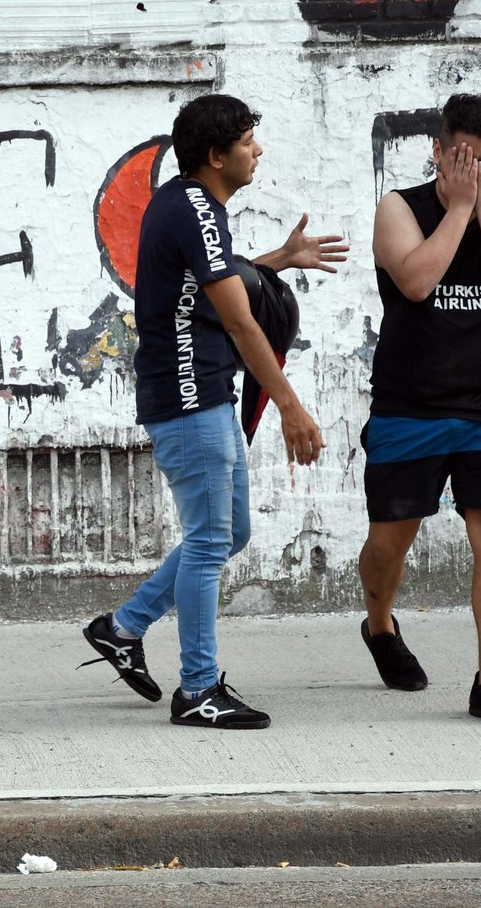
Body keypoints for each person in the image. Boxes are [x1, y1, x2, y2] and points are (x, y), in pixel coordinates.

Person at [81, 94, 345, 729]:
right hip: (189, 394)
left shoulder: (188, 204)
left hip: (204, 393)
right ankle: (198, 689)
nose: (258, 150)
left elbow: (213, 277)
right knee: (207, 543)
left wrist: (280, 259)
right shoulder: (196, 208)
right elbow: (239, 316)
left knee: (232, 533)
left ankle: (123, 627)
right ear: (216, 155)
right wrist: (291, 407)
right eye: (248, 141)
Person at [356, 93, 481, 728]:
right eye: (462, 157)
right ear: (437, 150)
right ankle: (380, 624)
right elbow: (416, 281)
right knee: (391, 538)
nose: (474, 170)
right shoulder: (399, 208)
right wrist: (460, 209)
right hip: (409, 405)